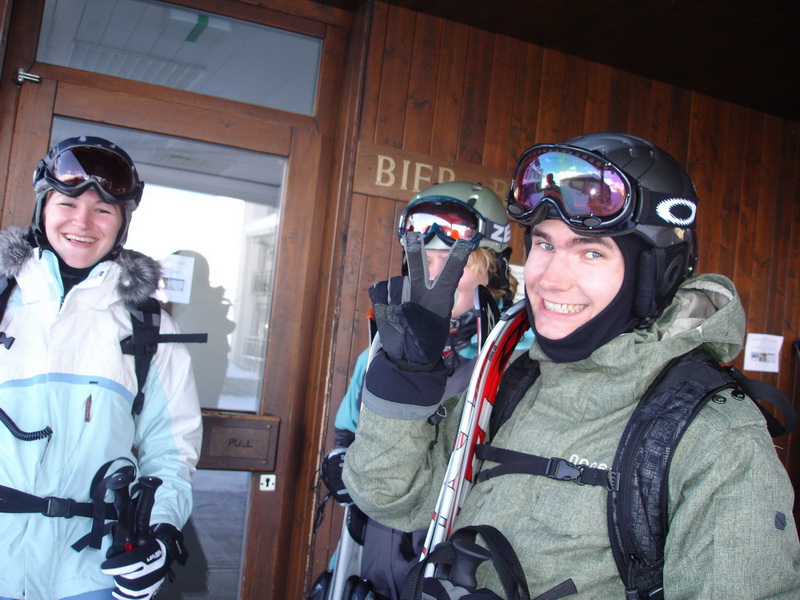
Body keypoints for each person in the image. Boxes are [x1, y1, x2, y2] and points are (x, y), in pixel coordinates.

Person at [342, 132, 800, 598]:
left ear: (652, 273)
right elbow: (395, 498)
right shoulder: (513, 383)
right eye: (544, 245)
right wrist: (405, 379)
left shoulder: (713, 436)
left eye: (591, 252)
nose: (550, 280)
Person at [0, 136, 202, 600]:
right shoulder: (4, 306)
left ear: (122, 223)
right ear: (43, 209)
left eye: (103, 210)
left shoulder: (149, 327)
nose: (83, 222)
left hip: (90, 575)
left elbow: (171, 455)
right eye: (68, 203)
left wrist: (158, 534)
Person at [320, 181, 525, 600]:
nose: (434, 276)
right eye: (423, 260)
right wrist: (340, 459)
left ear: (493, 271)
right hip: (371, 559)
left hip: (457, 569)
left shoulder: (519, 360)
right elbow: (348, 431)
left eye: (453, 263)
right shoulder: (381, 354)